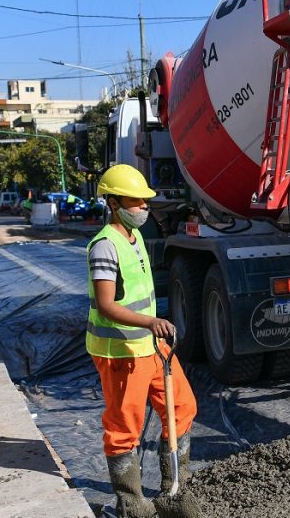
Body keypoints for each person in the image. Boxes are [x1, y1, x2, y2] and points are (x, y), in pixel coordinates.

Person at [87, 164, 196, 517]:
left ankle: (173, 489)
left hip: (150, 346)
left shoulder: (133, 239)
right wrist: (152, 321)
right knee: (124, 428)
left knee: (182, 407)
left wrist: (152, 327)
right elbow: (106, 306)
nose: (144, 207)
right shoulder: (105, 245)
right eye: (136, 201)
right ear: (115, 203)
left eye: (145, 201)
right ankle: (132, 504)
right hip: (120, 351)